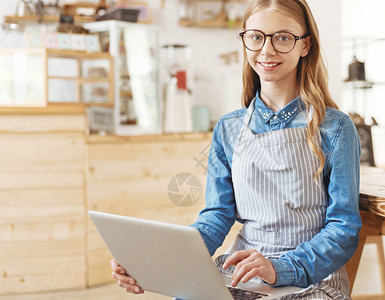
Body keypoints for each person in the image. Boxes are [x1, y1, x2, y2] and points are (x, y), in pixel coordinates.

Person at [110, 0, 362, 299]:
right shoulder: (228, 128)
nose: (266, 50)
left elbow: (343, 229)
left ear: (305, 45)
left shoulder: (335, 128)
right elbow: (216, 217)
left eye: (282, 38)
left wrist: (280, 268)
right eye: (256, 37)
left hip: (312, 275)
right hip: (242, 268)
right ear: (245, 40)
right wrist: (152, 262)